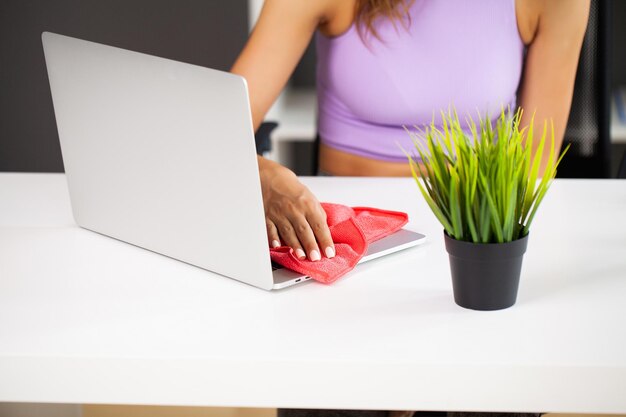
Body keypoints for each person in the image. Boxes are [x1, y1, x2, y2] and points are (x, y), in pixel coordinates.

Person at [231, 0, 589, 416]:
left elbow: (529, 179)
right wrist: (264, 177)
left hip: (474, 249)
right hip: (353, 256)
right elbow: (215, 132)